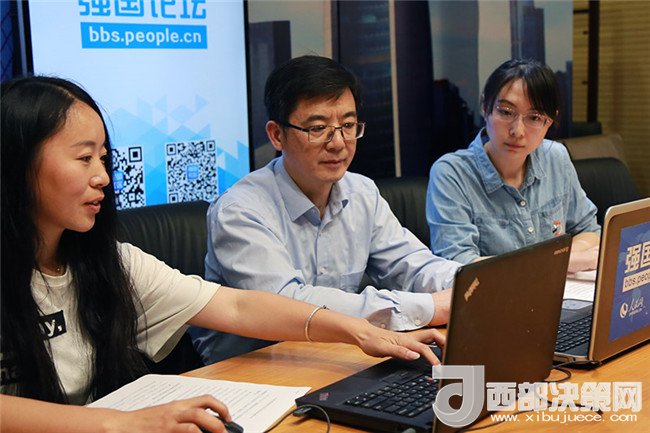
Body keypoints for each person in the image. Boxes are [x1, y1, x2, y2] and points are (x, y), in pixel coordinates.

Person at [0, 76, 446, 433]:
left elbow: (235, 305)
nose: (103, 177)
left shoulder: (110, 261)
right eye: (84, 159)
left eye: (104, 159)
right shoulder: (242, 206)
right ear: (18, 162)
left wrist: (358, 331)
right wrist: (118, 424)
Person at [190, 55, 461, 365]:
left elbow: (409, 263)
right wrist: (430, 307)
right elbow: (289, 304)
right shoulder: (240, 211)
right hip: (251, 371)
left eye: (348, 126)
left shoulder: (361, 192)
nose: (338, 143)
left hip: (334, 358)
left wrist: (468, 286)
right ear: (277, 135)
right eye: (318, 128)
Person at [426, 59, 600, 272]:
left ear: (549, 122)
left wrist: (562, 259)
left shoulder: (555, 157)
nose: (517, 131)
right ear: (485, 106)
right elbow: (459, 266)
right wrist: (558, 262)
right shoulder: (452, 174)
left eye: (534, 117)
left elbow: (589, 230)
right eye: (506, 112)